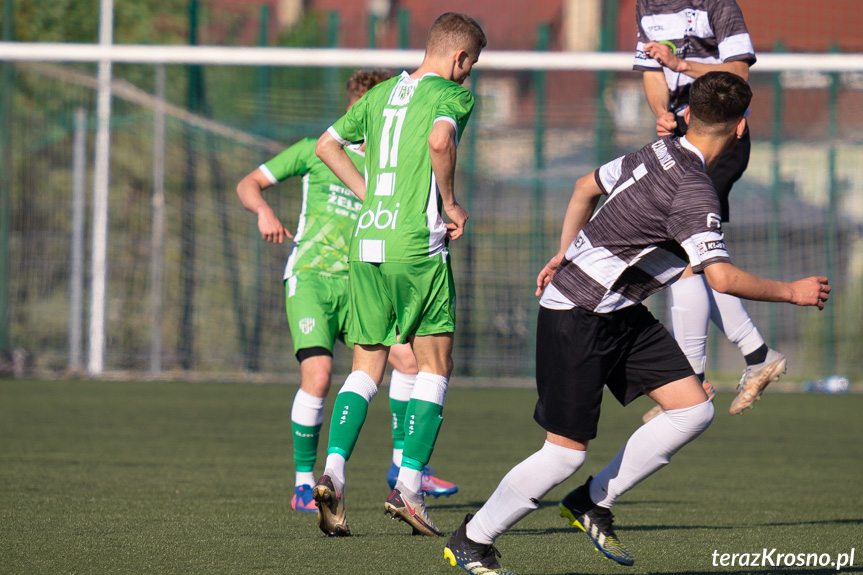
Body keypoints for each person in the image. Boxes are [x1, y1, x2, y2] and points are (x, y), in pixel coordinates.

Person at [443, 72, 829, 574]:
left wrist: (566, 252)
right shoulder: (695, 190)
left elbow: (585, 187)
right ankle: (472, 538)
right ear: (740, 130)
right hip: (577, 315)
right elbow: (723, 277)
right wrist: (792, 292)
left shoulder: (657, 150)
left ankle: (590, 501)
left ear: (687, 113)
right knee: (562, 455)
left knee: (692, 411)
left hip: (617, 309)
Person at [235, 69, 458, 516]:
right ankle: (304, 482)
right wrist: (262, 212)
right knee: (319, 376)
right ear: (360, 108)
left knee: (408, 360)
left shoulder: (389, 157)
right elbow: (248, 183)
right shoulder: (318, 151)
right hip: (314, 279)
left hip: (361, 279)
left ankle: (400, 468)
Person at [312, 12, 486, 537]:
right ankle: (409, 487)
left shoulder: (381, 92)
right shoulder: (453, 97)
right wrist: (450, 203)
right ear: (459, 58)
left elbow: (326, 146)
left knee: (366, 368)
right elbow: (439, 142)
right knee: (435, 365)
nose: (469, 75)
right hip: (417, 245)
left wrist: (370, 198)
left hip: (366, 242)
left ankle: (334, 474)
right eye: (471, 64)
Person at [635, 0, 785, 419]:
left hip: (721, 140)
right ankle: (757, 356)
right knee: (692, 260)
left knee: (683, 258)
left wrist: (680, 65)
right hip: (681, 139)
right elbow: (651, 72)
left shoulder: (719, 6)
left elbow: (738, 75)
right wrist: (661, 112)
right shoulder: (646, 6)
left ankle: (691, 383)